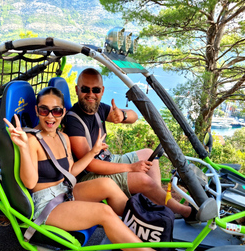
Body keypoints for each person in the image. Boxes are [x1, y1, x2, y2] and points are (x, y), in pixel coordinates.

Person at [4, 87, 158, 251]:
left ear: (63, 112)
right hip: (46, 204)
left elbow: (70, 172)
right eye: (44, 110)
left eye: (56, 111)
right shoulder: (31, 140)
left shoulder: (63, 138)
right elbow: (30, 182)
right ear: (37, 110)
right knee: (104, 211)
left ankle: (144, 226)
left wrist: (92, 152)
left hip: (65, 191)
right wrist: (24, 148)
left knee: (107, 184)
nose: (50, 116)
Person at [63, 68, 196, 223]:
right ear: (77, 90)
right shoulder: (73, 120)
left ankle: (156, 202)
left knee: (148, 153)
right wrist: (131, 168)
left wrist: (122, 115)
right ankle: (185, 212)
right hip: (88, 177)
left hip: (108, 160)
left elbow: (134, 116)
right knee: (142, 179)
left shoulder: (98, 109)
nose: (90, 94)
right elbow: (91, 165)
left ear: (102, 91)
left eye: (96, 90)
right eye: (85, 89)